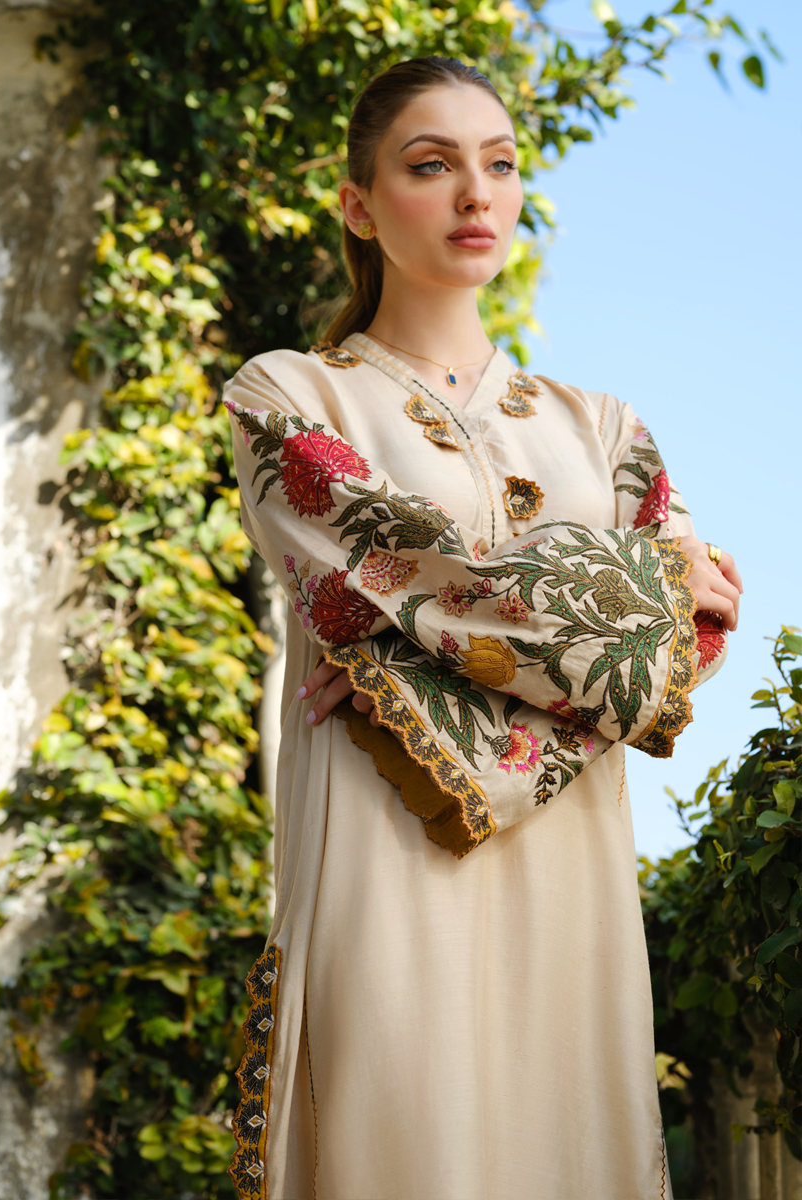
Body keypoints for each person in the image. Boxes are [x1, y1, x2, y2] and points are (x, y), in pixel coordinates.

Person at [223, 55, 742, 1200]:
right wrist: (613, 615)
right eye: (430, 165)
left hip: (573, 885)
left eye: (499, 165)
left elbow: (686, 635)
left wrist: (415, 674)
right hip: (382, 849)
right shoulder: (288, 398)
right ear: (358, 205)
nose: (476, 193)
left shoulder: (602, 427)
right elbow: (411, 565)